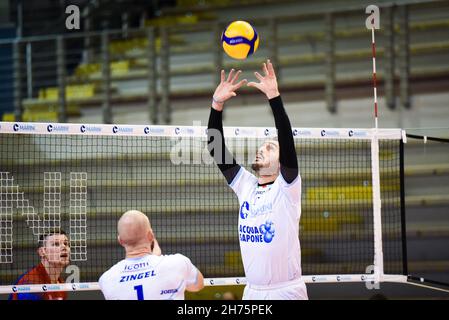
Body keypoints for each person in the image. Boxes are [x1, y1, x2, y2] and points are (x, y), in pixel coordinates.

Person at [207, 59, 308, 300]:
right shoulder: (246, 186)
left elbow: (287, 141)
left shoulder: (288, 188)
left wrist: (274, 97)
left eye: (270, 147)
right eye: (262, 146)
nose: (261, 149)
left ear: (282, 161)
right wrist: (216, 104)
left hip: (286, 291)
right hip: (252, 292)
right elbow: (215, 147)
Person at [99, 210, 204, 300]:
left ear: (120, 240)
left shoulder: (107, 279)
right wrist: (156, 260)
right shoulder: (178, 263)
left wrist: (154, 259)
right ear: (151, 235)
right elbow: (198, 285)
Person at [9, 230, 70, 300]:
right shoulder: (30, 282)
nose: (64, 247)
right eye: (56, 244)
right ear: (42, 252)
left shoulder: (61, 285)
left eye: (66, 243)